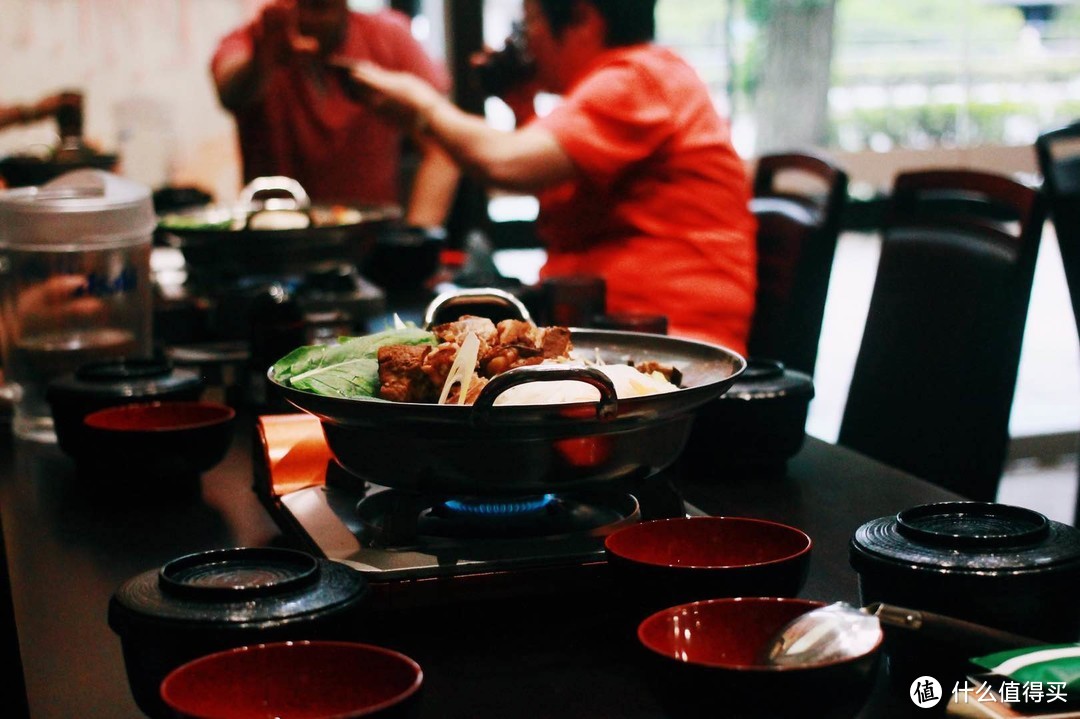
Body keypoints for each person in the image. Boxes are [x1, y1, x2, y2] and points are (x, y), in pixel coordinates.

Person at [345, 0, 757, 353]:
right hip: (616, 329)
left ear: (581, 18)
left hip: (665, 340)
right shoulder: (629, 81)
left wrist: (424, 105)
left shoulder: (636, 80)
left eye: (531, 21)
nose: (529, 40)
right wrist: (522, 105)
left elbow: (505, 164)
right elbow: (566, 201)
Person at [210, 0, 460, 228]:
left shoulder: (388, 36)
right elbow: (231, 94)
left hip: (370, 242)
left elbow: (444, 147)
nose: (312, 18)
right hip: (276, 244)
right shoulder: (256, 39)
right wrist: (263, 60)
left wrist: (417, 237)